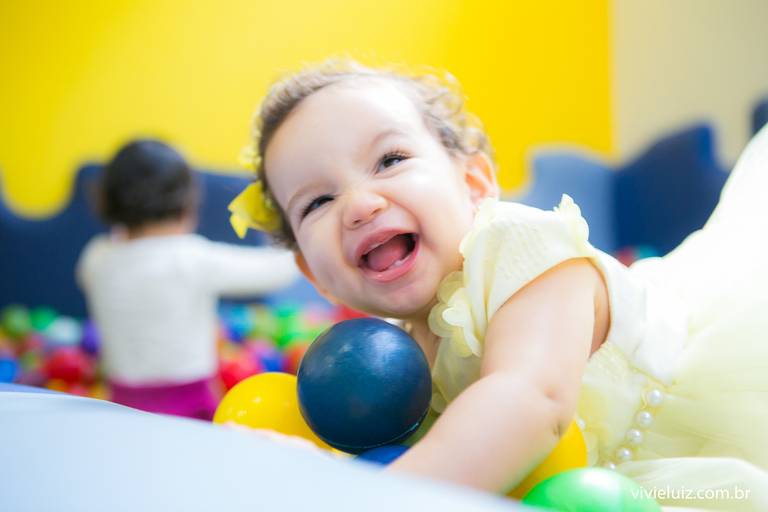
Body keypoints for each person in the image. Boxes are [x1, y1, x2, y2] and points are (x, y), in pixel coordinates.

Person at [228, 59, 768, 509]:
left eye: (390, 160)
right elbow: (448, 457)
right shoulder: (396, 351)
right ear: (313, 276)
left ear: (474, 184)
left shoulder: (525, 247)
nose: (360, 205)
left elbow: (528, 398)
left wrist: (377, 499)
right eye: (318, 201)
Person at [77, 139, 299, 420]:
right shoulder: (191, 258)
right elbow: (277, 271)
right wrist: (290, 223)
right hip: (190, 407)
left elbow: (116, 259)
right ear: (188, 204)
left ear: (108, 202)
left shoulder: (96, 258)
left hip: (122, 404)